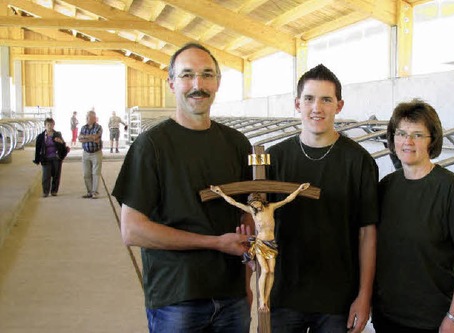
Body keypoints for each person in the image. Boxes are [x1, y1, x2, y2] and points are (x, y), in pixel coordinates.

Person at [111, 43, 253, 333]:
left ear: (218, 83)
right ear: (171, 83)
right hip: (177, 297)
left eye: (207, 75)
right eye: (187, 75)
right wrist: (214, 242)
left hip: (232, 295)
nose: (197, 85)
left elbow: (248, 215)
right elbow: (132, 230)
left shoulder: (237, 144)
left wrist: (250, 281)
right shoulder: (151, 147)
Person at [266, 64, 378, 333]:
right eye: (309, 99)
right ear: (297, 103)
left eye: (326, 99)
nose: (317, 107)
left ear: (339, 106)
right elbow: (258, 226)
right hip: (283, 295)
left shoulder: (359, 161)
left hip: (337, 299)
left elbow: (368, 234)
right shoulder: (274, 158)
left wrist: (364, 297)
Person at [372, 99, 454, 333]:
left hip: (431, 320)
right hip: (386, 316)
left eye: (417, 135)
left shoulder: (451, 188)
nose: (407, 142)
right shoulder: (386, 187)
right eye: (401, 133)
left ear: (432, 140)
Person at [211, 183, 310, 312]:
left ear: (260, 201)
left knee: (272, 271)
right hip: (260, 244)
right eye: (252, 204)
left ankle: (266, 299)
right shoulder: (252, 211)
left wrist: (299, 189)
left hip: (271, 244)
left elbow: (287, 199)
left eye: (255, 202)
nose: (254, 205)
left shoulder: (271, 207)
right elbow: (234, 203)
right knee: (264, 270)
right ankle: (262, 301)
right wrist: (221, 193)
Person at [33, 118, 68, 197]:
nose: (49, 126)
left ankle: (54, 191)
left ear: (53, 125)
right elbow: (38, 149)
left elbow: (63, 145)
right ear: (45, 126)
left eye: (51, 124)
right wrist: (37, 159)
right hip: (45, 158)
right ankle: (45, 192)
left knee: (56, 175)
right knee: (46, 175)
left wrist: (61, 142)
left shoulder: (58, 134)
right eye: (48, 125)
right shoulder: (41, 136)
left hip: (56, 157)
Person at [78, 110, 103, 199]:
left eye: (88, 117)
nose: (86, 118)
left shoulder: (99, 127)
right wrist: (91, 138)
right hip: (86, 153)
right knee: (86, 173)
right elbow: (80, 139)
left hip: (96, 153)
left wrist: (85, 137)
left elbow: (96, 137)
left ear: (93, 118)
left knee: (96, 173)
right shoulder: (83, 127)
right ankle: (89, 192)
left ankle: (94, 192)